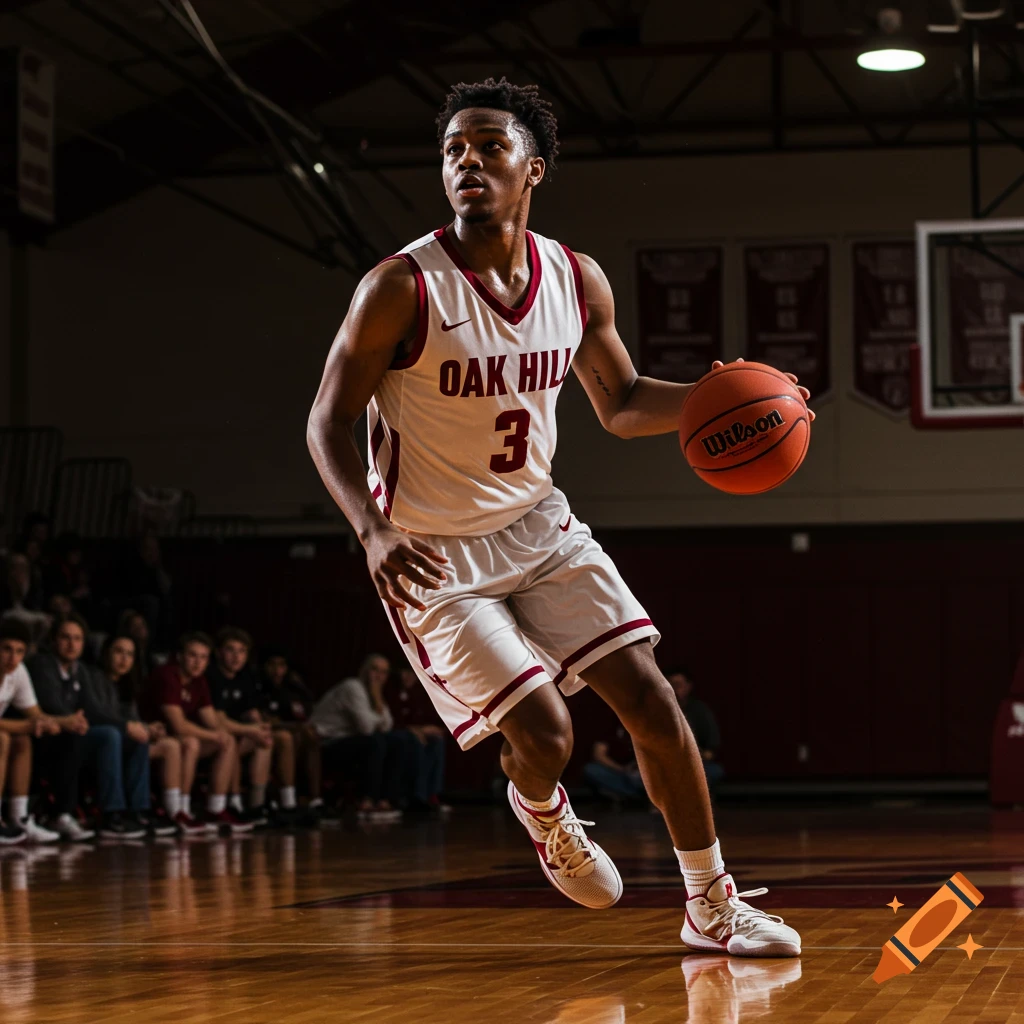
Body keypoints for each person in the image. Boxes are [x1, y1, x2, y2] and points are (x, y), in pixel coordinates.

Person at [306, 77, 813, 957]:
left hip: (539, 525)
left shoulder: (575, 279)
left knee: (653, 699)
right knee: (546, 730)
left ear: (533, 167)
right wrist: (373, 529)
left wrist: (715, 400)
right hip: (431, 549)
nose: (467, 161)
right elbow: (325, 422)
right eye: (454, 148)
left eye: (489, 146)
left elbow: (618, 402)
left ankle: (711, 904)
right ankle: (541, 808)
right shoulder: (398, 287)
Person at [27, 613, 147, 840]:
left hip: (74, 730)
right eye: (65, 638)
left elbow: (91, 709)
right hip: (46, 734)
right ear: (53, 641)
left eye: (78, 639)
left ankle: (138, 810)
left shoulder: (79, 669)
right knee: (110, 735)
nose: (72, 644)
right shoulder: (43, 664)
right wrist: (74, 719)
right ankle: (110, 813)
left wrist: (131, 726)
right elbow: (49, 703)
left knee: (134, 738)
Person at [147, 631, 252, 834]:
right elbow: (178, 725)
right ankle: (178, 810)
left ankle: (216, 809)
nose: (198, 662)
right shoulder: (167, 675)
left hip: (177, 741)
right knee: (191, 742)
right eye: (193, 656)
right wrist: (215, 735)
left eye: (203, 657)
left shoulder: (199, 681)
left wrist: (225, 734)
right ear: (180, 656)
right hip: (154, 738)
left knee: (227, 741)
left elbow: (211, 720)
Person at [310, 654, 417, 820]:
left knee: (399, 740)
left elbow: (387, 726)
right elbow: (367, 728)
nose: (378, 676)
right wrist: (377, 701)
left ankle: (386, 800)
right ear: (364, 670)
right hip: (325, 742)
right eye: (375, 669)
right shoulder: (353, 687)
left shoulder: (374, 693)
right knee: (376, 742)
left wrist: (377, 699)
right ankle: (368, 800)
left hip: (352, 740)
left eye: (384, 672)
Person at [95, 633, 181, 835]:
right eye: (118, 652)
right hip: (95, 739)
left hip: (120, 740)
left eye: (129, 654)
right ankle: (112, 814)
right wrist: (132, 726)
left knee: (147, 740)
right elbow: (95, 713)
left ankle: (140, 810)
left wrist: (148, 728)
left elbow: (132, 720)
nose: (124, 659)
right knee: (116, 736)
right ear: (106, 653)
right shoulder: (94, 677)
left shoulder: (127, 684)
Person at [207, 627, 288, 826]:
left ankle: (256, 805)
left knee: (265, 739)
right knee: (236, 739)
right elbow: (218, 721)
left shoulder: (245, 677)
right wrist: (252, 730)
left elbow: (251, 711)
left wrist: (260, 727)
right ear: (218, 652)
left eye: (241, 651)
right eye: (230, 650)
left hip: (237, 733)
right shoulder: (212, 675)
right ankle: (233, 803)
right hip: (212, 735)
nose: (236, 657)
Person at [0, 619, 61, 844]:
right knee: (3, 739)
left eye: (19, 652)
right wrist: (30, 725)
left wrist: (64, 722)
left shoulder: (18, 671)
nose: (13, 658)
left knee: (22, 741)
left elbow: (35, 714)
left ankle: (19, 817)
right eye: (6, 649)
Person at [260, 647, 323, 816]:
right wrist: (296, 727)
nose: (277, 670)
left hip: (294, 736)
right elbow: (267, 721)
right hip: (268, 736)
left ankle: (315, 799)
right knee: (289, 738)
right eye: (272, 664)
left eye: (281, 665)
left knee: (311, 739)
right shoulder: (259, 687)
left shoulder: (291, 689)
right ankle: (286, 801)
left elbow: (301, 715)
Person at [386, 664, 450, 812]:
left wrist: (425, 729)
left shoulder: (418, 694)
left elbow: (422, 718)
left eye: (412, 673)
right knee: (415, 741)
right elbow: (392, 722)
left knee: (437, 740)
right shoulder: (391, 692)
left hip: (413, 732)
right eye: (405, 672)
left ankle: (433, 794)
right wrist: (417, 731)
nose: (408, 676)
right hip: (397, 733)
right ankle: (418, 796)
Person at [666, 668, 724, 790]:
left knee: (713, 772)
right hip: (665, 765)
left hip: (694, 764)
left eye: (678, 685)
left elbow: (711, 746)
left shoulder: (700, 710)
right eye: (671, 685)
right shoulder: (659, 711)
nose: (674, 689)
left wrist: (696, 758)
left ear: (688, 686)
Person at [582, 719, 646, 805]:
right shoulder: (610, 730)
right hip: (617, 772)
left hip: (640, 772)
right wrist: (621, 769)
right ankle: (635, 796)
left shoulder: (643, 730)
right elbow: (599, 755)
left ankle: (640, 796)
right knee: (591, 769)